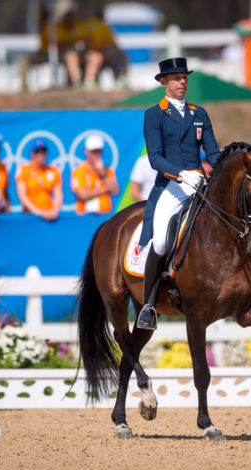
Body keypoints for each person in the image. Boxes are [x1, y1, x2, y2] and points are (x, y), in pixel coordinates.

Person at [137, 57, 221, 330]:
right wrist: (181, 173)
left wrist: (229, 168)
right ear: (163, 82)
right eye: (175, 78)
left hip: (200, 183)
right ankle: (149, 304)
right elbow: (156, 158)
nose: (182, 82)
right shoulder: (155, 114)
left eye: (184, 77)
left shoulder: (200, 113)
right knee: (161, 242)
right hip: (172, 185)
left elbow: (213, 153)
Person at [71, 134, 119, 214]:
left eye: (98, 151)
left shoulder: (108, 171)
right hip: (84, 216)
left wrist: (102, 173)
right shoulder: (79, 171)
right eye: (93, 151)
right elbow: (83, 195)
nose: (96, 154)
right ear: (86, 151)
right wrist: (106, 189)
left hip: (105, 216)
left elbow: (115, 190)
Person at [15, 139, 63, 220]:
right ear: (32, 153)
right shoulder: (24, 170)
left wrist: (54, 210)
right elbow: (22, 196)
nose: (41, 154)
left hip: (49, 214)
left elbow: (59, 195)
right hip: (30, 216)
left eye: (43, 151)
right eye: (38, 152)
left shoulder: (53, 171)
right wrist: (38, 212)